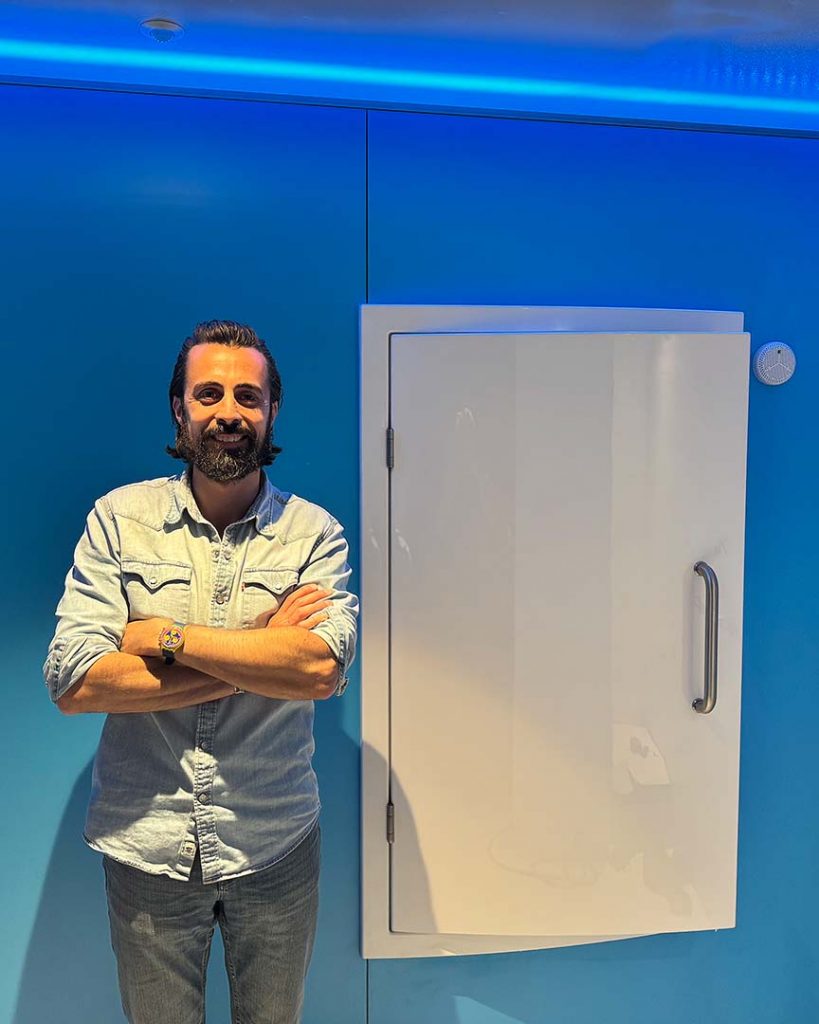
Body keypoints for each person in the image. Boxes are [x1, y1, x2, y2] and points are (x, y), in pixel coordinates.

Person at [42, 319, 358, 1024]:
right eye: (208, 393)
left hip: (275, 844)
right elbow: (76, 682)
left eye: (248, 396)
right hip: (146, 847)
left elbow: (318, 669)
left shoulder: (314, 534)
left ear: (272, 410)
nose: (228, 412)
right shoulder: (119, 520)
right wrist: (261, 650)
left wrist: (167, 638)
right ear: (178, 408)